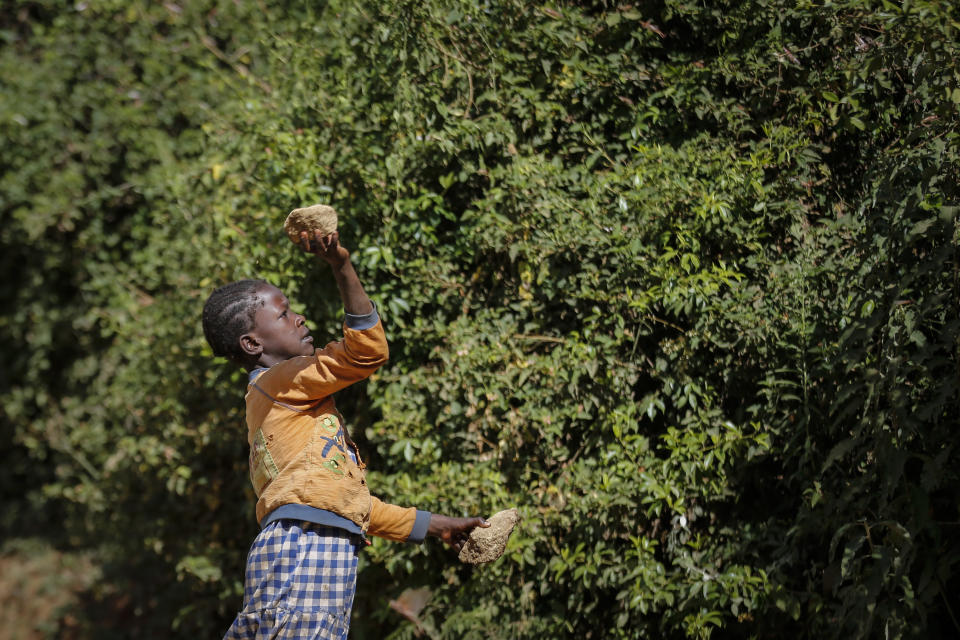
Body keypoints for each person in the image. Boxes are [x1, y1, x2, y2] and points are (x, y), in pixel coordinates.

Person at [202, 229, 487, 640]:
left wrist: (437, 526)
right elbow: (366, 352)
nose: (299, 317)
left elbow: (350, 506)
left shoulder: (290, 415)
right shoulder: (280, 384)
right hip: (305, 549)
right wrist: (341, 265)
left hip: (308, 548)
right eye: (283, 314)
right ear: (251, 343)